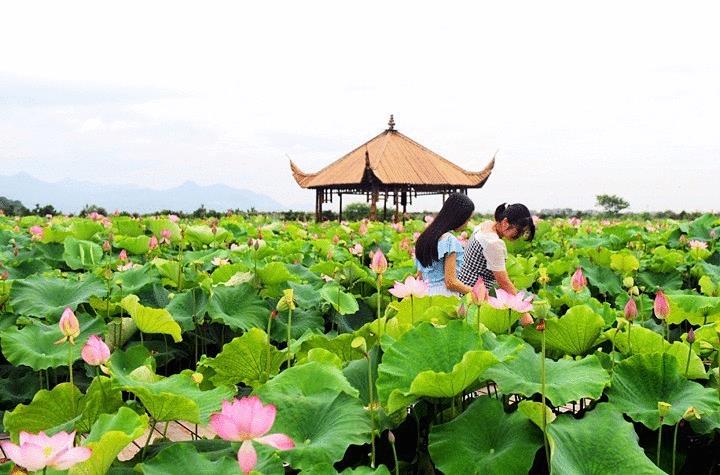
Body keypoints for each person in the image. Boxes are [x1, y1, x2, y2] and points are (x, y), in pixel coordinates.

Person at [458, 203, 535, 294]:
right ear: (505, 222)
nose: (519, 236)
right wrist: (521, 303)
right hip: (472, 296)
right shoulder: (494, 243)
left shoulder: (485, 225)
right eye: (519, 231)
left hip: (461, 288)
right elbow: (504, 283)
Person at [414, 193, 475, 296]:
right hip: (444, 296)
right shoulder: (449, 240)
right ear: (459, 217)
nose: (467, 223)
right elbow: (450, 282)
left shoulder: (424, 238)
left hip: (424, 294)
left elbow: (419, 277)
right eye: (467, 219)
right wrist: (476, 292)